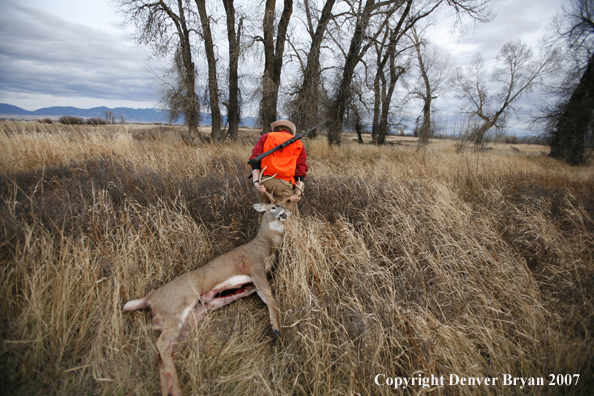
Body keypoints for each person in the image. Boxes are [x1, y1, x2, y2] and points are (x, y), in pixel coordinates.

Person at [249, 119, 308, 214]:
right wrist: (297, 193)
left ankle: (261, 227)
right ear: (290, 131)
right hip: (285, 185)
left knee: (265, 215)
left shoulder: (266, 137)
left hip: (265, 182)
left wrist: (256, 182)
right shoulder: (298, 143)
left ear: (276, 129)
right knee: (281, 217)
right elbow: (301, 170)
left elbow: (255, 160)